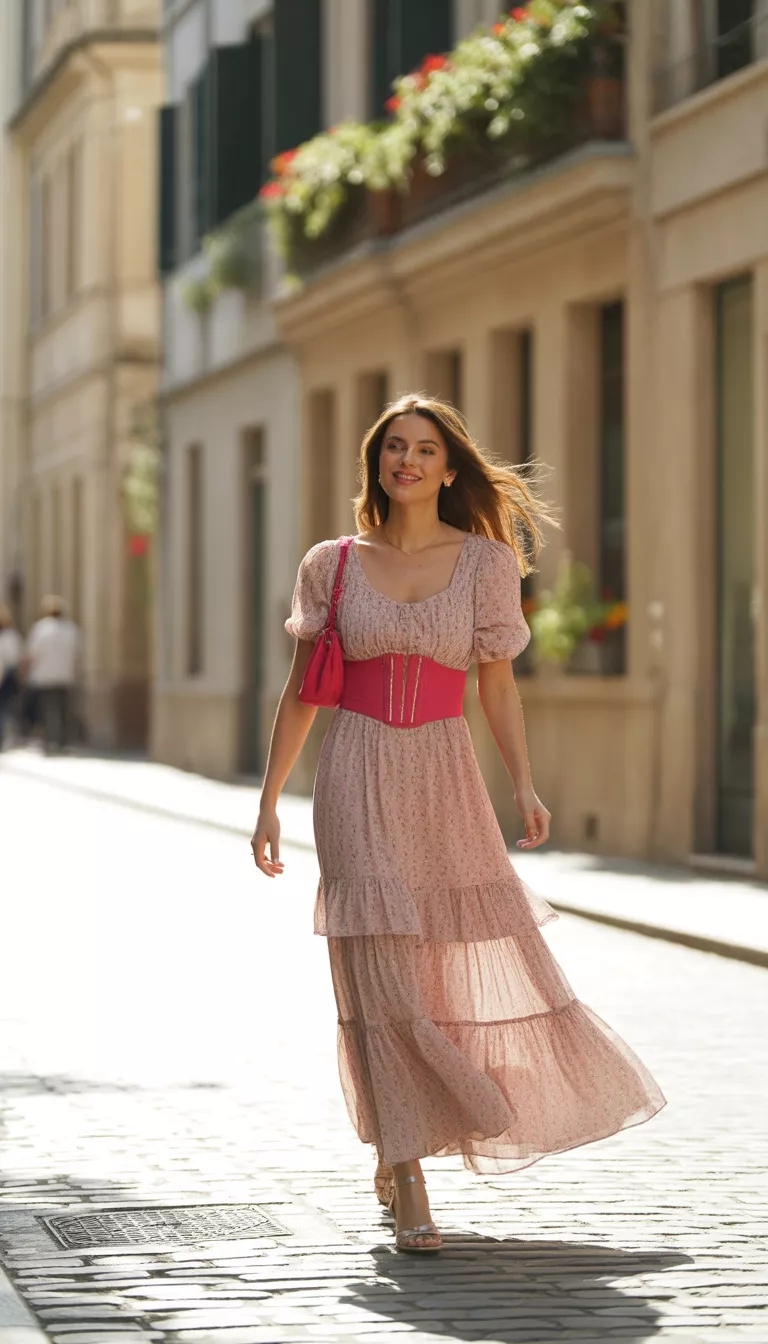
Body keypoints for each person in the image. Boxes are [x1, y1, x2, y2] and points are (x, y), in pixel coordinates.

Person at [251, 394, 666, 1255]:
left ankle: (409, 1127)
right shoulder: (330, 565)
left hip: (444, 774)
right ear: (377, 463)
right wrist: (267, 805)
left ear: (449, 467)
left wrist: (525, 785)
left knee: (439, 964)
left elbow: (498, 686)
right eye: (394, 447)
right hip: (356, 768)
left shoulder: (484, 563)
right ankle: (407, 1170)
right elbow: (300, 693)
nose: (407, 460)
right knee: (377, 972)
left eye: (425, 448)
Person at [24, 595, 81, 754]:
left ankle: (51, 741)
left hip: (45, 675)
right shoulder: (71, 628)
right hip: (65, 675)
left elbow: (32, 653)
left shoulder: (41, 628)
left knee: (49, 710)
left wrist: (26, 671)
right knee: (63, 710)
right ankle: (63, 741)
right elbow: (77, 653)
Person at [0, 604, 23, 749]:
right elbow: (17, 657)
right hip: (8, 674)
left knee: (4, 708)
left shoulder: (10, 636)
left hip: (7, 674)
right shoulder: (12, 636)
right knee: (6, 708)